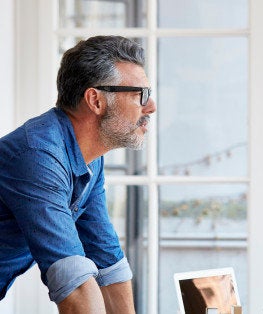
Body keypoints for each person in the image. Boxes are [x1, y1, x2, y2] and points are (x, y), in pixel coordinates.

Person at [0, 35, 156, 313]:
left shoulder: (89, 159)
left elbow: (107, 258)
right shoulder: (37, 155)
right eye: (139, 95)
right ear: (95, 100)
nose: (151, 106)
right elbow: (74, 285)